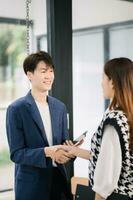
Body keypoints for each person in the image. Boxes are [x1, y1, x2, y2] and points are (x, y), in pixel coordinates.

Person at [61, 58, 133, 200]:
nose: (101, 83)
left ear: (112, 82)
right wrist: (75, 151)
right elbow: (112, 158)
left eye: (103, 78)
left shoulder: (114, 121)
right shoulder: (127, 115)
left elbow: (105, 177)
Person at [6, 51, 74, 200]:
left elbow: (62, 142)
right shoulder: (17, 109)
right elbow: (16, 153)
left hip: (59, 181)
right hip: (32, 186)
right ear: (29, 75)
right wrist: (46, 152)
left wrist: (67, 153)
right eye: (43, 71)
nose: (49, 76)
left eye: (51, 71)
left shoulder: (60, 107)